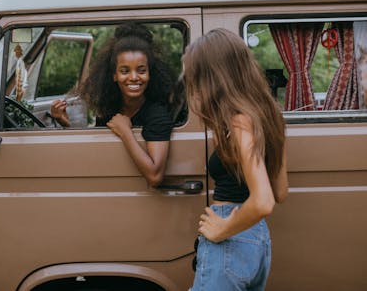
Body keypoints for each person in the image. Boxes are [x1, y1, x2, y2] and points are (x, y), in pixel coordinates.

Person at [182, 28, 288, 291]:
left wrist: (224, 228)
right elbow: (281, 191)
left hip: (230, 239)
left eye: (196, 77)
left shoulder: (239, 121)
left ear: (214, 76)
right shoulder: (270, 114)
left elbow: (264, 201)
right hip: (257, 240)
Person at [50, 23, 175, 187]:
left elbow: (155, 176)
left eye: (141, 70)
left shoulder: (157, 115)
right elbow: (96, 155)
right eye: (125, 71)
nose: (134, 77)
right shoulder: (109, 111)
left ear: (150, 74)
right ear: (114, 75)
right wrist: (66, 125)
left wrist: (125, 132)